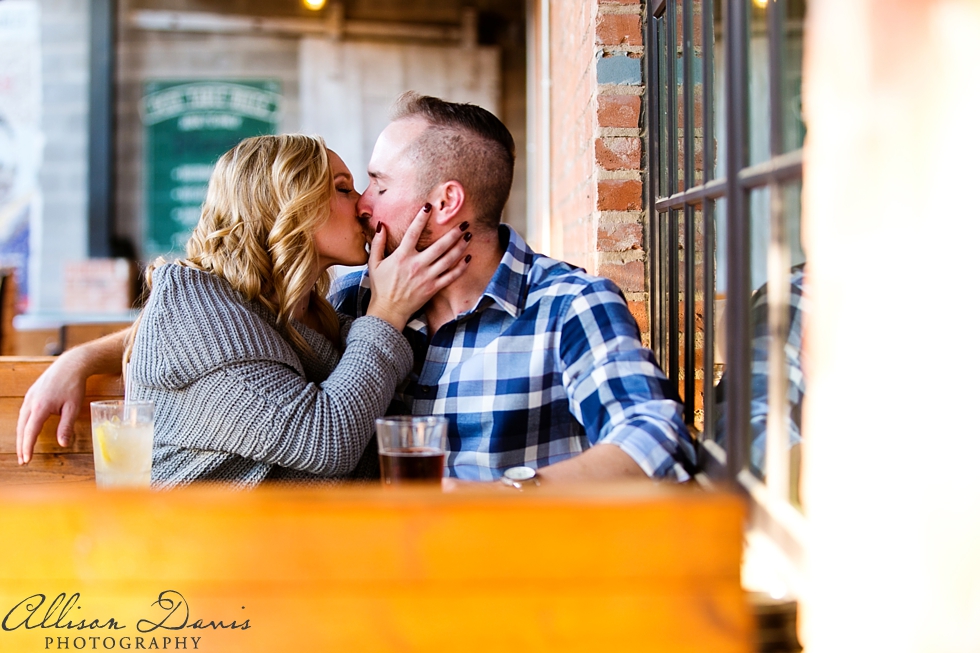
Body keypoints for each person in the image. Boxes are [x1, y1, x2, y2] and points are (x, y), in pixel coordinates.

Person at [18, 93, 697, 486]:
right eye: (355, 187)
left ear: (445, 201)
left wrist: (511, 500)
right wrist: (87, 355)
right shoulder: (357, 305)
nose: (366, 205)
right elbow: (224, 325)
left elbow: (656, 434)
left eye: (376, 183)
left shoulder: (565, 306)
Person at [17, 134, 471, 487]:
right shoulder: (193, 306)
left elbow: (233, 342)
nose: (364, 206)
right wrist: (386, 314)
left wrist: (82, 355)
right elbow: (325, 439)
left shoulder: (307, 309)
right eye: (342, 188)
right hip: (209, 577)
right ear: (282, 206)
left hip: (307, 558)